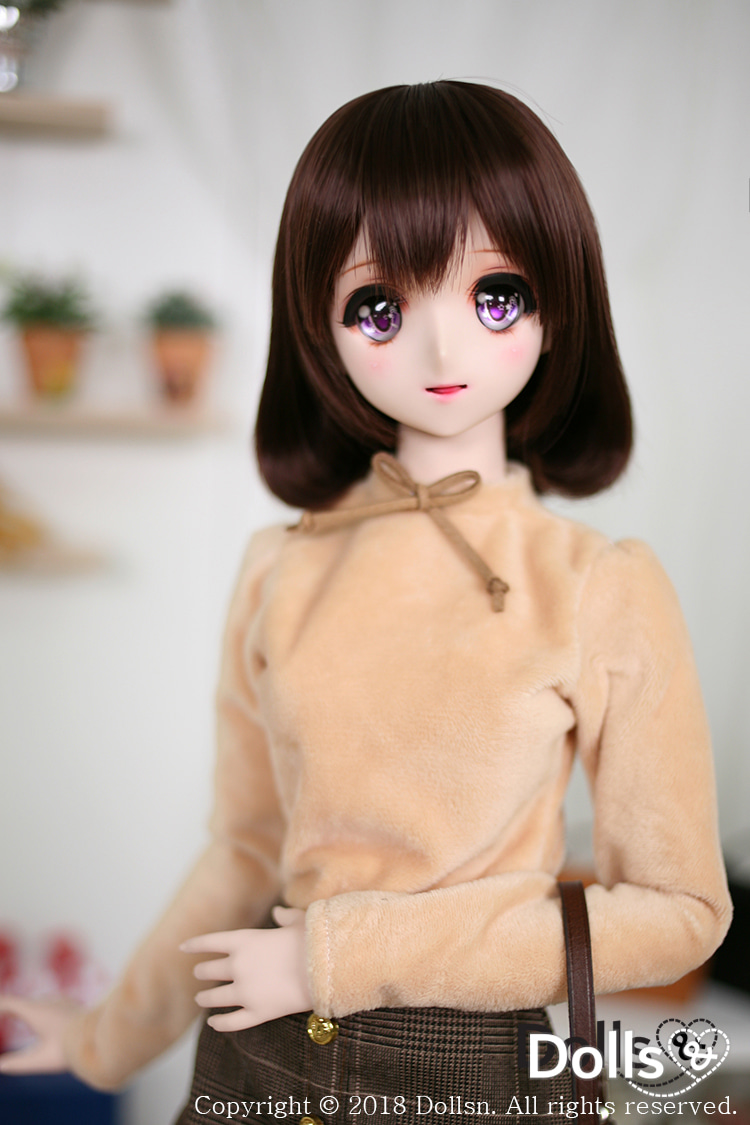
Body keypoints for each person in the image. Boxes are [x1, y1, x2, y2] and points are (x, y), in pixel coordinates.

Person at [0, 82, 732, 1123]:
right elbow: (243, 850)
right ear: (321, 324)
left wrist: (335, 956)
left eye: (495, 296)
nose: (442, 352)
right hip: (256, 1061)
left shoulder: (597, 581)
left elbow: (681, 912)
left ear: (558, 304)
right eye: (379, 308)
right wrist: (104, 1040)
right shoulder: (282, 566)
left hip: (472, 1072)